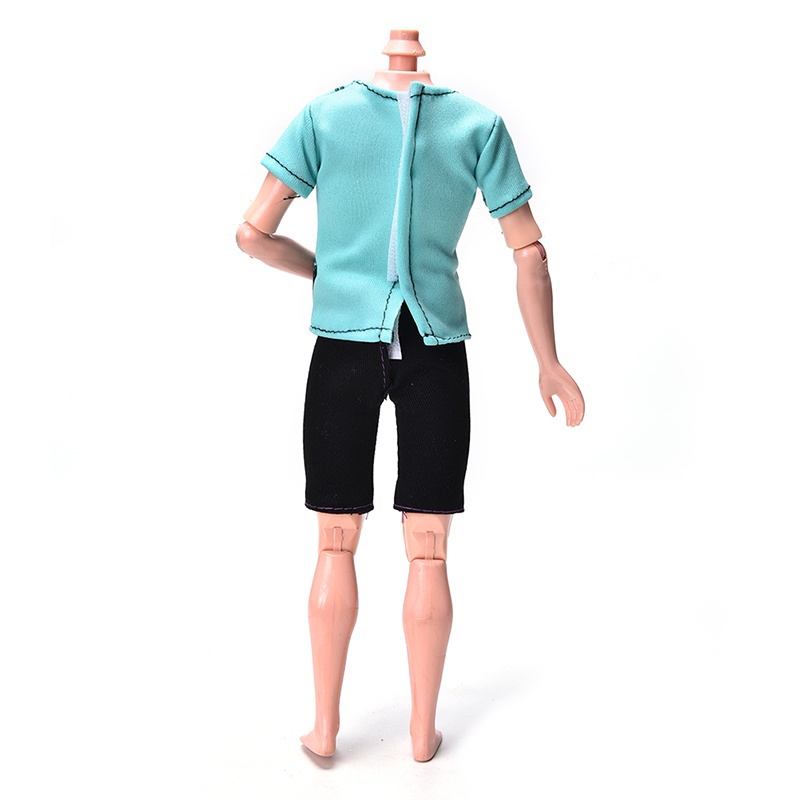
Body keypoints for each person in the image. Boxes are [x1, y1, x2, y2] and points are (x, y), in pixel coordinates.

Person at [236, 29, 584, 762]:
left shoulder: (325, 116)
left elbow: (252, 235)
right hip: (436, 350)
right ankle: (423, 732)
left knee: (335, 537)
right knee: (429, 545)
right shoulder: (477, 124)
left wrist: (327, 273)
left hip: (343, 346)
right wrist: (548, 361)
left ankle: (326, 727)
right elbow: (529, 250)